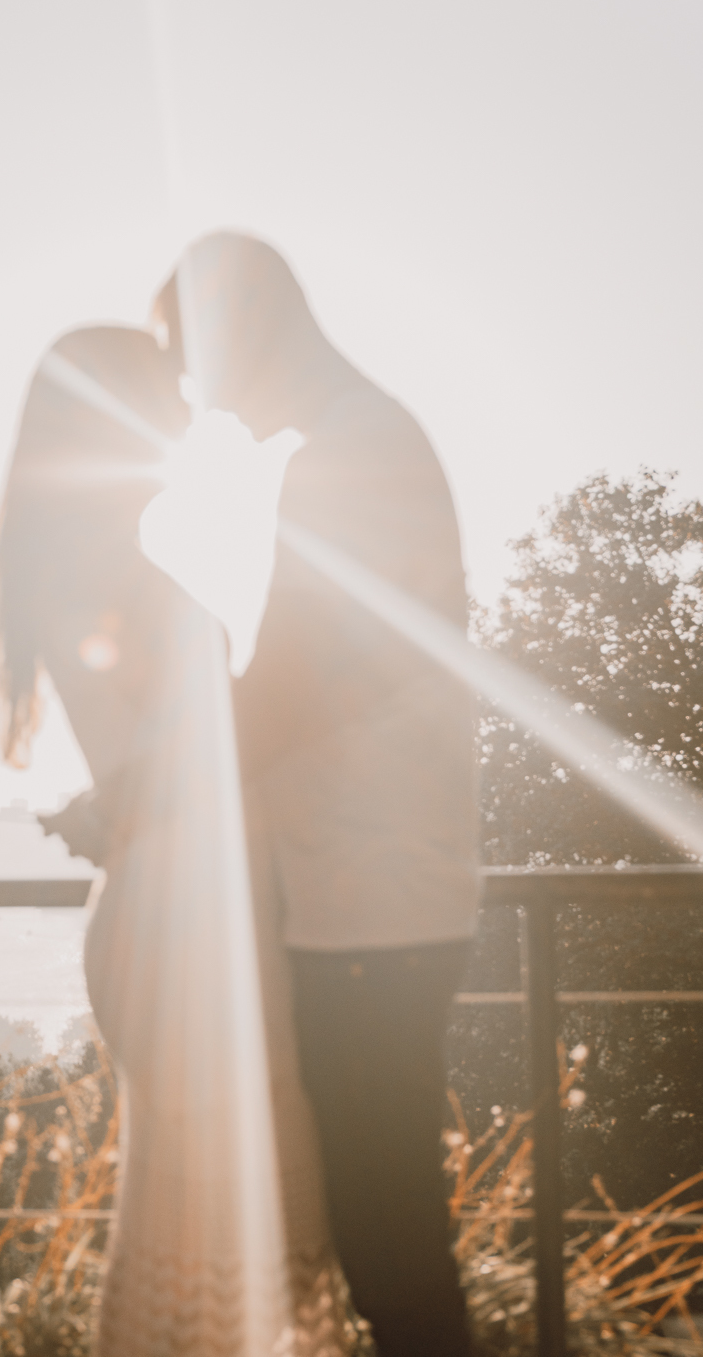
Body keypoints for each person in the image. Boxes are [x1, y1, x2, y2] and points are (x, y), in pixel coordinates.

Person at [0, 323, 347, 1357]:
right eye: (164, 391)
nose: (190, 412)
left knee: (217, 1247)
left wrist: (118, 804)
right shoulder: (96, 574)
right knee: (226, 1249)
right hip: (190, 933)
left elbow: (159, 757)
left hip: (190, 916)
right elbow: (185, 757)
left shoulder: (96, 568)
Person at [156, 231, 480, 1357]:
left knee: (390, 1243)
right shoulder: (364, 441)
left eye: (193, 362)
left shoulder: (351, 453)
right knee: (389, 1235)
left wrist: (156, 797)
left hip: (370, 900)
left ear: (242, 331)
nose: (196, 397)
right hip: (384, 889)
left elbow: (298, 673)